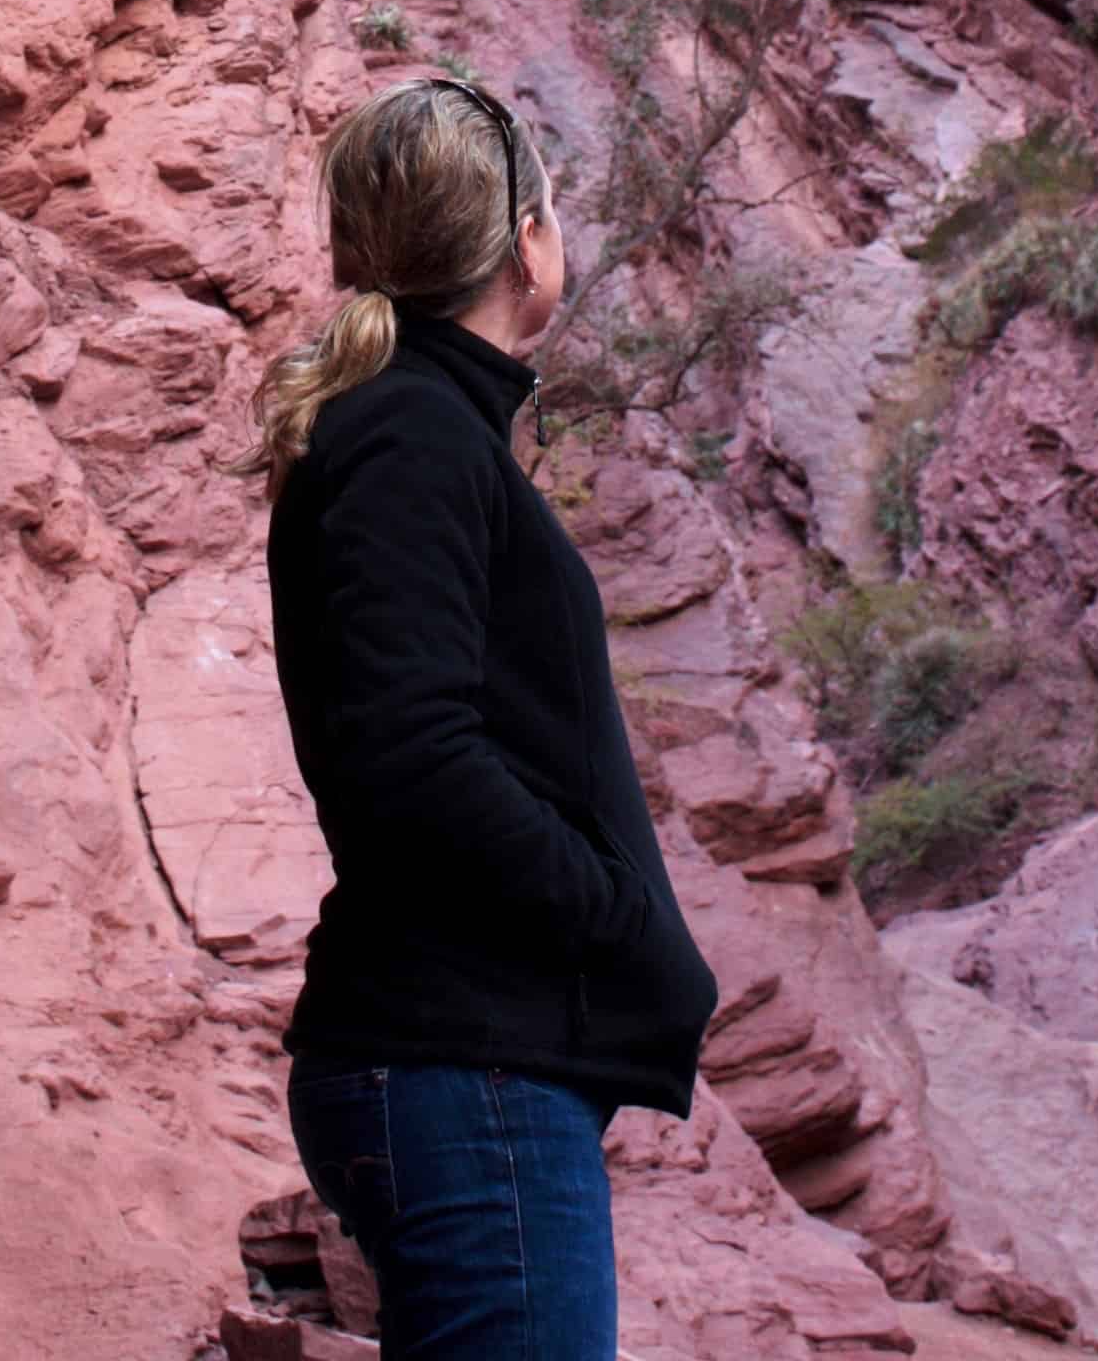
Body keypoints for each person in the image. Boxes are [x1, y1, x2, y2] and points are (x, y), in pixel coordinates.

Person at [239, 74, 718, 1358]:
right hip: (465, 1070)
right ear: (525, 243)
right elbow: (414, 753)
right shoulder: (412, 435)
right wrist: (612, 913)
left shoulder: (419, 425)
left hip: (465, 1066)